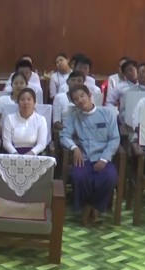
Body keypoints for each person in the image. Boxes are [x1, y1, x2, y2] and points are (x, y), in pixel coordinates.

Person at [60, 85, 119, 225]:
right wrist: (74, 148)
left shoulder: (107, 113)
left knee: (110, 177)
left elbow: (115, 139)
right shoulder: (74, 117)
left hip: (103, 157)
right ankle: (89, 206)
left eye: (82, 96)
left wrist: (104, 158)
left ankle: (92, 206)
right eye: (76, 99)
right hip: (85, 158)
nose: (80, 100)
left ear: (89, 95)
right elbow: (64, 136)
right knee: (78, 176)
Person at [2, 88, 49, 155]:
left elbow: (42, 143)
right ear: (18, 103)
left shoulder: (41, 119)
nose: (26, 102)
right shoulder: (10, 118)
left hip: (33, 155)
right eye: (22, 99)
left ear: (34, 102)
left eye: (29, 99)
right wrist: (16, 155)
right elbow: (6, 143)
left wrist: (30, 154)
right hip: (14, 155)